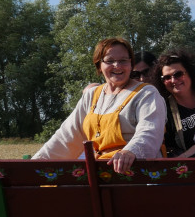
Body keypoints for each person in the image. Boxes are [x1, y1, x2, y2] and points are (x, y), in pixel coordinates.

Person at [33, 37, 164, 174]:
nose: (117, 65)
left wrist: (130, 152)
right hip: (99, 174)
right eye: (110, 61)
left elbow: (150, 131)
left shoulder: (146, 94)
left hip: (136, 175)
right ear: (99, 65)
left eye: (123, 60)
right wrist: (36, 163)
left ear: (131, 64)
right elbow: (66, 137)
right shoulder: (91, 95)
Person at [155, 49, 195, 158]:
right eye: (166, 77)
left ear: (190, 73)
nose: (173, 80)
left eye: (178, 74)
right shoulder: (164, 110)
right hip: (188, 169)